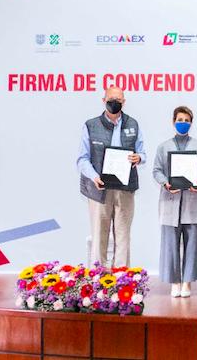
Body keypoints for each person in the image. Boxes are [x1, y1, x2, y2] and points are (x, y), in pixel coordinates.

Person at [77, 86, 145, 268]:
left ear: (124, 102)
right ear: (104, 100)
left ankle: (122, 278)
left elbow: (142, 152)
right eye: (111, 100)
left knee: (123, 237)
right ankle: (99, 277)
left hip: (125, 189)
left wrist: (139, 158)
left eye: (119, 100)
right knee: (99, 235)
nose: (115, 103)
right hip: (99, 189)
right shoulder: (90, 125)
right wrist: (94, 176)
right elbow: (82, 159)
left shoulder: (133, 124)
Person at [152, 106, 197, 298]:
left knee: (193, 244)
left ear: (191, 123)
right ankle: (175, 282)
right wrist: (165, 183)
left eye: (186, 120)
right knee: (170, 244)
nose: (183, 123)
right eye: (180, 120)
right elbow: (156, 170)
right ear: (173, 122)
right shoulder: (163, 147)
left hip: (192, 202)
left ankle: (187, 282)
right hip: (170, 202)